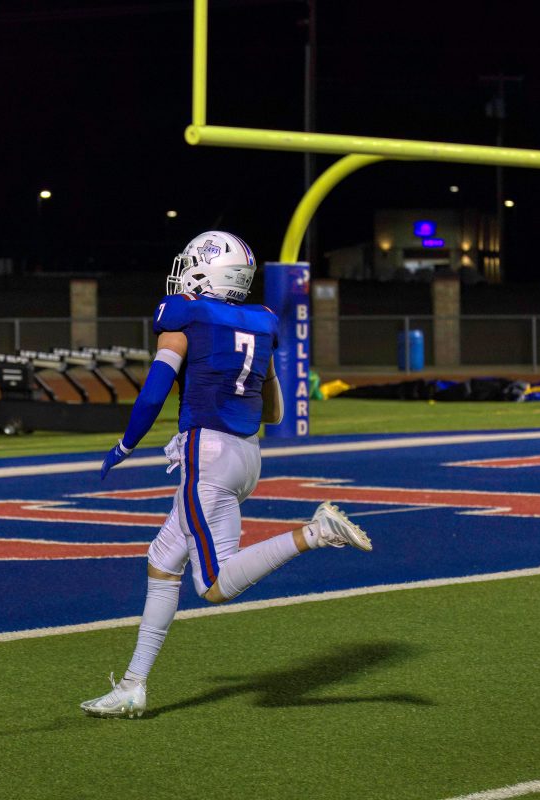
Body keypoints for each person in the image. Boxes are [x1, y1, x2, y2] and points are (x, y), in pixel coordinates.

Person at [80, 231, 372, 719]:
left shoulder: (184, 315)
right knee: (162, 561)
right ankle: (132, 685)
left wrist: (125, 444)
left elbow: (153, 393)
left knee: (215, 585)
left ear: (206, 270)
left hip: (209, 456)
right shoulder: (262, 321)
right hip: (246, 456)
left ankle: (316, 533)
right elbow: (274, 412)